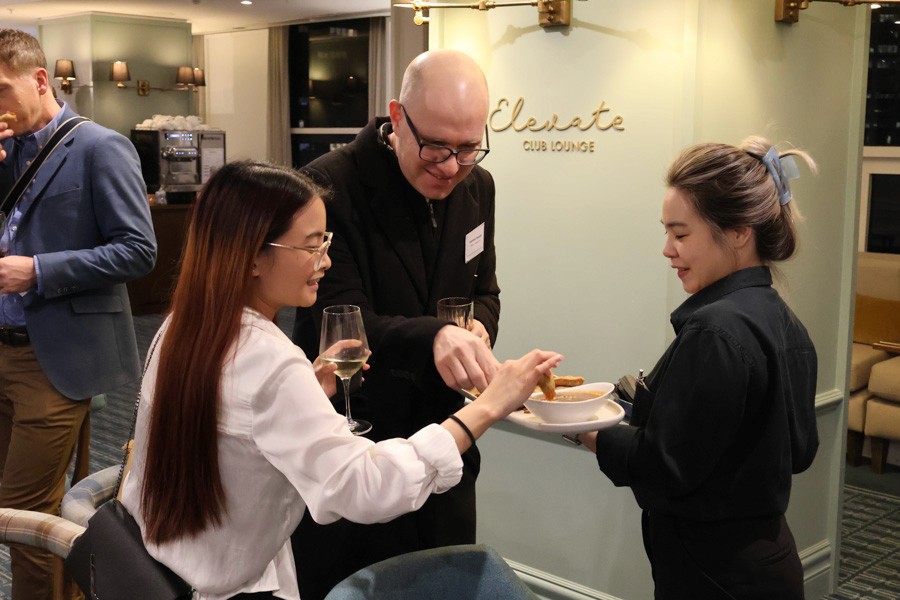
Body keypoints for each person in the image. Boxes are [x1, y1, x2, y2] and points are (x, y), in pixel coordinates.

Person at [119, 160, 561, 600]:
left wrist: (304, 391)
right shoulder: (269, 361)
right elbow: (366, 487)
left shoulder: (182, 326)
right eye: (312, 246)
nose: (326, 261)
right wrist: (485, 408)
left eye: (326, 242)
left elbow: (230, 428)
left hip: (163, 568)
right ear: (254, 256)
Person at [290, 49, 500, 597]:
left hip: (446, 440)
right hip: (357, 440)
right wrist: (436, 335)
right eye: (435, 146)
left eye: (468, 148)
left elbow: (486, 291)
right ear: (397, 118)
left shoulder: (479, 188)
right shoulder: (330, 186)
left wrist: (477, 330)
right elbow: (338, 323)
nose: (451, 167)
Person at [575, 137, 819, 599]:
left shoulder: (716, 330)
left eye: (681, 234)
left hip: (714, 577)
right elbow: (801, 451)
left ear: (740, 232)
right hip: (769, 564)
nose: (668, 249)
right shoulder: (786, 322)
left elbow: (662, 466)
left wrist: (577, 423)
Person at [0, 29, 157, 600]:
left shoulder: (99, 147)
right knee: (10, 505)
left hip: (56, 359)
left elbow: (138, 250)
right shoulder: (3, 148)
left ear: (40, 79)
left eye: (1, 89)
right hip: (3, 344)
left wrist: (37, 269)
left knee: (23, 515)